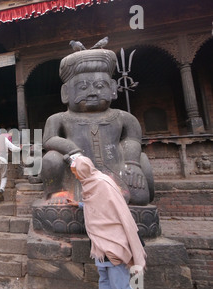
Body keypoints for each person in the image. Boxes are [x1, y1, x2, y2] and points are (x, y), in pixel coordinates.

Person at [41, 49, 154, 206]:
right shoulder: (58, 119)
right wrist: (73, 150)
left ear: (113, 88)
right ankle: (57, 191)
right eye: (83, 87)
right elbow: (49, 140)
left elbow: (132, 139)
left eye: (100, 85)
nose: (93, 92)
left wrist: (132, 163)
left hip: (116, 167)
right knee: (51, 159)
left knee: (139, 198)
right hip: (76, 170)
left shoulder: (123, 117)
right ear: (66, 93)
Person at [68, 154, 147, 289]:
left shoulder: (102, 182)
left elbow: (116, 209)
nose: (76, 177)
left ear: (83, 170)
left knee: (120, 288)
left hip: (113, 240)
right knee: (105, 281)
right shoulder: (89, 182)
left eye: (76, 173)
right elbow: (99, 205)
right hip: (99, 242)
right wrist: (79, 204)